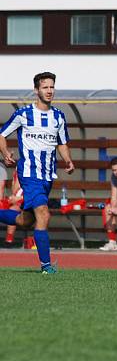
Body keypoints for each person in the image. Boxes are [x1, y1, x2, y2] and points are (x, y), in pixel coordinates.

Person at [0, 71, 74, 273]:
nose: (49, 91)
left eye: (51, 87)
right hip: (29, 174)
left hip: (48, 176)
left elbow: (62, 143)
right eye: (45, 87)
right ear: (36, 90)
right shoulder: (23, 114)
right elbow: (2, 134)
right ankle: (46, 266)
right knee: (44, 214)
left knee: (27, 220)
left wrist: (67, 160)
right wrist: (6, 152)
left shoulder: (58, 116)